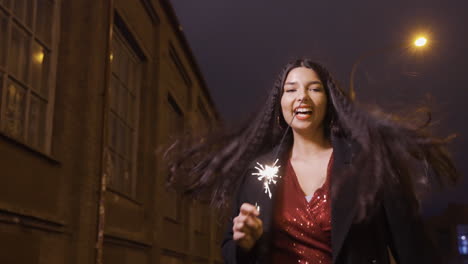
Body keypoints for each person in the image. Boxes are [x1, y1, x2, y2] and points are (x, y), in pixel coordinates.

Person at [166, 59, 459, 264]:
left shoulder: (368, 163)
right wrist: (246, 242)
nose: (302, 97)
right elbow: (230, 251)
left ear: (328, 101)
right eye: (291, 89)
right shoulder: (259, 172)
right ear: (279, 104)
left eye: (314, 88)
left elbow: (414, 250)